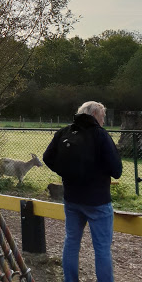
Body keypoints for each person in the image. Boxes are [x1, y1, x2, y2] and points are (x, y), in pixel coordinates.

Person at [43, 101, 122, 282]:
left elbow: (47, 157)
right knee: (102, 248)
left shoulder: (64, 132)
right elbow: (117, 171)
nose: (102, 122)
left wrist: (64, 172)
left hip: (71, 199)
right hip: (98, 201)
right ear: (95, 114)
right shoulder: (100, 135)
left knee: (71, 242)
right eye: (102, 118)